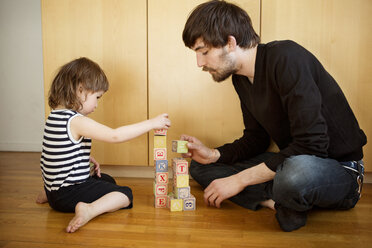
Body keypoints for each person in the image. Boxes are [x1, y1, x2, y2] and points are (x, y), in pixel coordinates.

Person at [181, 0, 366, 231]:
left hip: (338, 168)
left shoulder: (287, 58)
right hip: (292, 161)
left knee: (293, 176)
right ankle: (279, 201)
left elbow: (313, 146)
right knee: (200, 167)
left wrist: (239, 180)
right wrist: (213, 154)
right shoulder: (240, 78)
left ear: (230, 42)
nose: (199, 63)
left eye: (204, 52)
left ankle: (284, 195)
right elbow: (257, 139)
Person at [36, 57, 171, 233]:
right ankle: (88, 210)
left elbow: (55, 152)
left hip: (55, 190)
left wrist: (85, 157)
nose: (97, 104)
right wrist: (151, 123)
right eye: (97, 97)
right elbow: (114, 136)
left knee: (107, 180)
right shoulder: (76, 120)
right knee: (125, 194)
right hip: (69, 193)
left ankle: (50, 195)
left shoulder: (54, 116)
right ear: (80, 89)